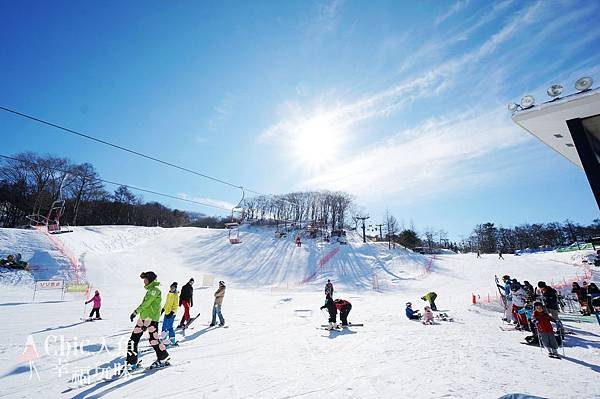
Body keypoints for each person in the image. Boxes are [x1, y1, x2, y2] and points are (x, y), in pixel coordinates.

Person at [126, 271, 169, 370]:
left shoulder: (155, 290)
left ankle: (163, 357)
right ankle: (132, 362)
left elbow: (146, 303)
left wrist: (135, 312)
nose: (144, 281)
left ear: (150, 279)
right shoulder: (150, 290)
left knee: (153, 340)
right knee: (133, 340)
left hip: (151, 319)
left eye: (145, 279)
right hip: (143, 319)